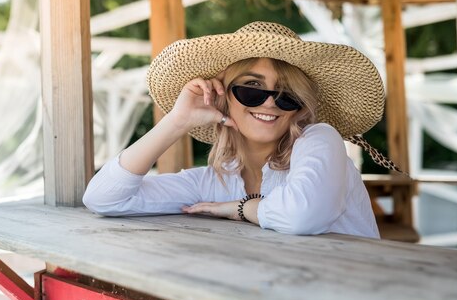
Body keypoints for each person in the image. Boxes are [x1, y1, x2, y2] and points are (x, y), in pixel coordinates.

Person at [83, 21, 395, 239]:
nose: (270, 104)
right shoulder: (212, 182)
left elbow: (303, 215)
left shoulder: (319, 138)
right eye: (252, 89)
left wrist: (240, 208)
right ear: (222, 96)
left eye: (287, 94)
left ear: (301, 107)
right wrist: (176, 121)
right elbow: (104, 199)